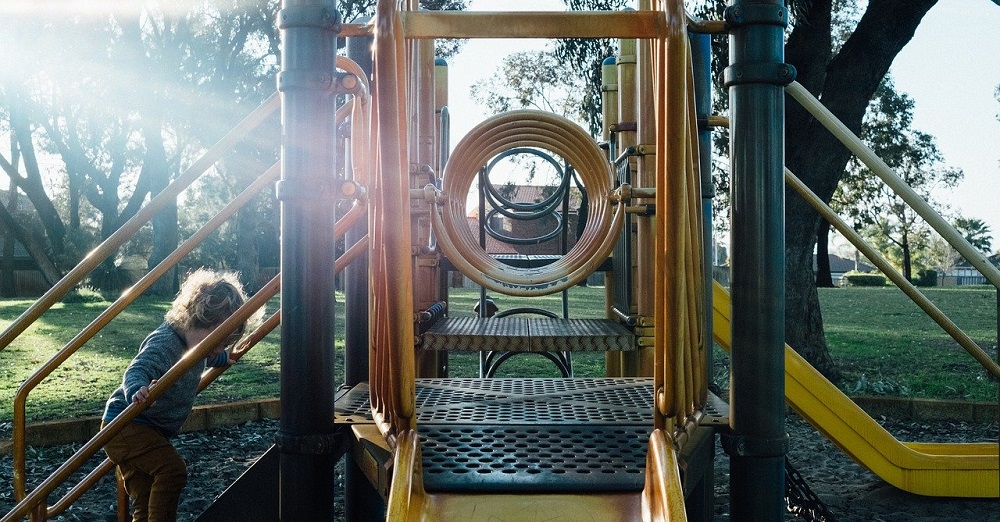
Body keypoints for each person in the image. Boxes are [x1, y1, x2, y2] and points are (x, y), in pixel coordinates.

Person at [102, 268, 262, 522]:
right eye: (216, 341)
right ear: (194, 319)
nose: (216, 347)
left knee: (144, 502)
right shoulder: (164, 342)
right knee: (172, 471)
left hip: (146, 428)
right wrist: (137, 391)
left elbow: (206, 353)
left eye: (223, 343)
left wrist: (222, 357)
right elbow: (138, 368)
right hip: (127, 424)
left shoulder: (195, 343)